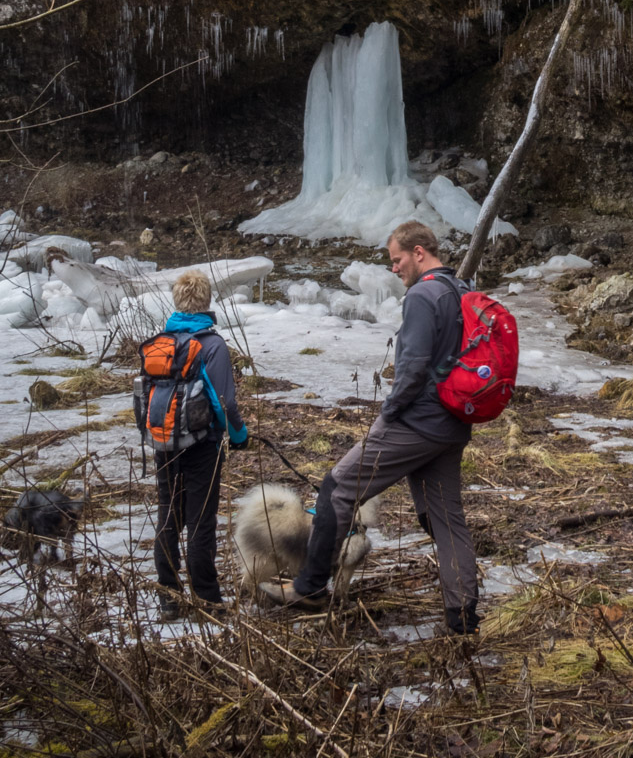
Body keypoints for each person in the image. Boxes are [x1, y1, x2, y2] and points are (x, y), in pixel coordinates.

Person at [260, 221, 479, 633]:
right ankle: (462, 615)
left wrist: (389, 413)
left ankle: (309, 588)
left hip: (417, 422)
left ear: (418, 252)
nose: (394, 269)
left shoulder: (423, 295)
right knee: (447, 519)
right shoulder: (462, 291)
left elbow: (411, 370)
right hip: (453, 424)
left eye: (397, 260)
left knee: (338, 489)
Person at [151, 268, 248, 618]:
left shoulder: (162, 342)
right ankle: (207, 599)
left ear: (177, 302)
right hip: (202, 445)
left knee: (168, 517)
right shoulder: (212, 344)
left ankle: (168, 596)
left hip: (163, 444)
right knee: (200, 520)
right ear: (206, 302)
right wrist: (239, 435)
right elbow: (226, 403)